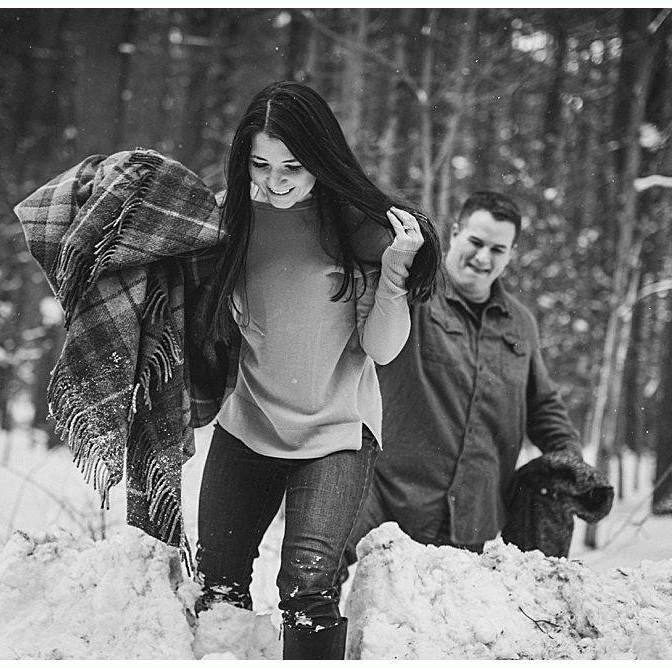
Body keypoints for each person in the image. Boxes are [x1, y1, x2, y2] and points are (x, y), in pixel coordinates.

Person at [193, 81, 441, 660]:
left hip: (335, 431)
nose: (275, 182)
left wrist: (396, 273)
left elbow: (382, 349)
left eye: (293, 167)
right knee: (218, 583)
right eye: (260, 164)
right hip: (247, 422)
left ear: (320, 161)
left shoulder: (356, 227)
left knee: (307, 589)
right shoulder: (229, 222)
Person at [343, 190, 600, 566]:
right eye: (476, 242)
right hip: (383, 495)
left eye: (497, 249)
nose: (482, 258)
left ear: (511, 254)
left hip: (468, 520)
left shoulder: (521, 323)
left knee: (445, 606)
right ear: (455, 232)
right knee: (320, 581)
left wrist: (569, 461)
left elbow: (543, 406)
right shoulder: (414, 293)